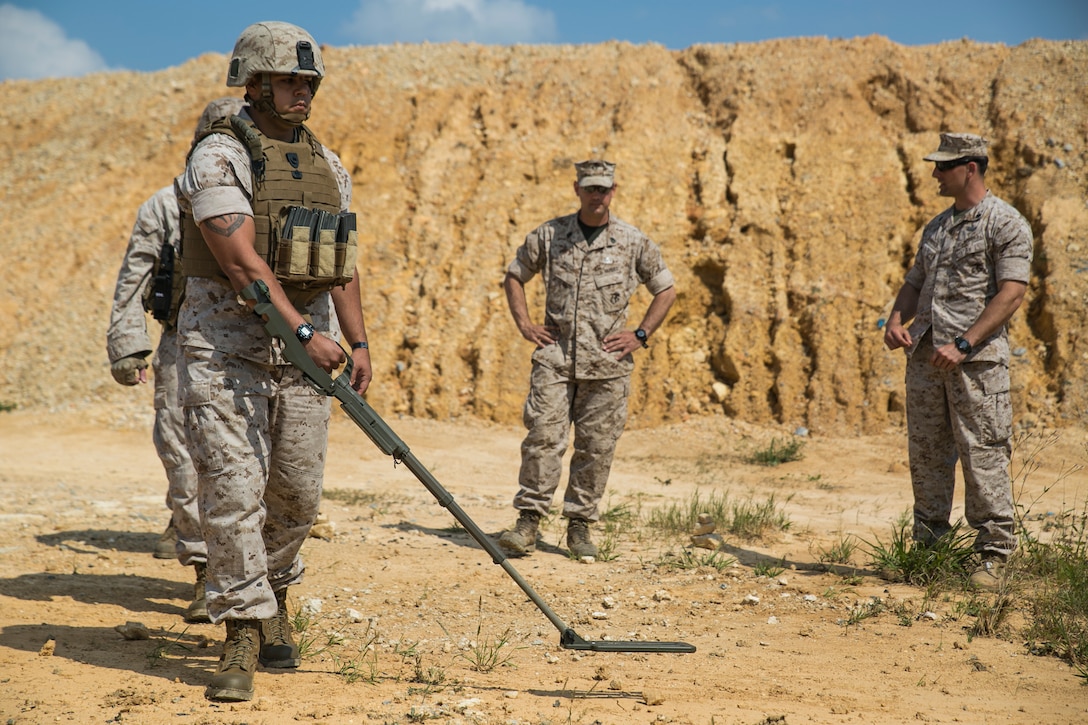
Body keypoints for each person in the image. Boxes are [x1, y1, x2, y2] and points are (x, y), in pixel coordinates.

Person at [174, 21, 371, 702]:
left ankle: (276, 587)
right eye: (291, 79)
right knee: (232, 488)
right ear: (254, 82)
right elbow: (239, 261)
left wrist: (359, 339)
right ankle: (244, 624)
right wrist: (301, 332)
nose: (304, 92)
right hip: (226, 346)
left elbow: (339, 259)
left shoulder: (326, 163)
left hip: (303, 346)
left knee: (296, 493)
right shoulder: (218, 156)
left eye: (310, 82)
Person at [107, 96, 244, 624]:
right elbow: (134, 277)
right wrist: (127, 345)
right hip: (181, 344)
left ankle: (256, 575)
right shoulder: (164, 206)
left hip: (254, 350)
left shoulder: (263, 205)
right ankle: (206, 570)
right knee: (183, 453)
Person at [498, 160, 676, 560]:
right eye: (590, 188)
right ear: (577, 188)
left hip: (607, 366)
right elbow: (515, 275)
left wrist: (641, 334)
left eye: (604, 189)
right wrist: (526, 324)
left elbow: (665, 289)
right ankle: (528, 523)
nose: (597, 195)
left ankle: (580, 527)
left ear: (614, 191)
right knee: (543, 438)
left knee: (596, 448)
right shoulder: (550, 235)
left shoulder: (633, 242)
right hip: (556, 360)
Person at [883, 132, 1033, 592]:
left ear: (971, 167)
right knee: (927, 453)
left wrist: (965, 343)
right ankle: (930, 548)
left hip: (976, 363)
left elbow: (1013, 292)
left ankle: (993, 556)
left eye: (943, 167)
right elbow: (914, 282)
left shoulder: (1005, 223)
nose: (934, 174)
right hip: (927, 360)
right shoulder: (937, 227)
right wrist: (894, 319)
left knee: (983, 452)